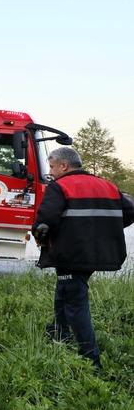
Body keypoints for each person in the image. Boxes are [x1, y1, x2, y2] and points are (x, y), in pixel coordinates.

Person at [32, 147, 134, 369]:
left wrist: (40, 237)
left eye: (52, 167)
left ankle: (91, 360)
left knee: (75, 303)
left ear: (64, 166)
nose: (51, 172)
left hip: (71, 254)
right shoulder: (108, 185)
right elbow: (130, 211)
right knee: (65, 289)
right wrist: (103, 230)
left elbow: (45, 221)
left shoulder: (59, 186)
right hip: (97, 253)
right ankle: (59, 332)